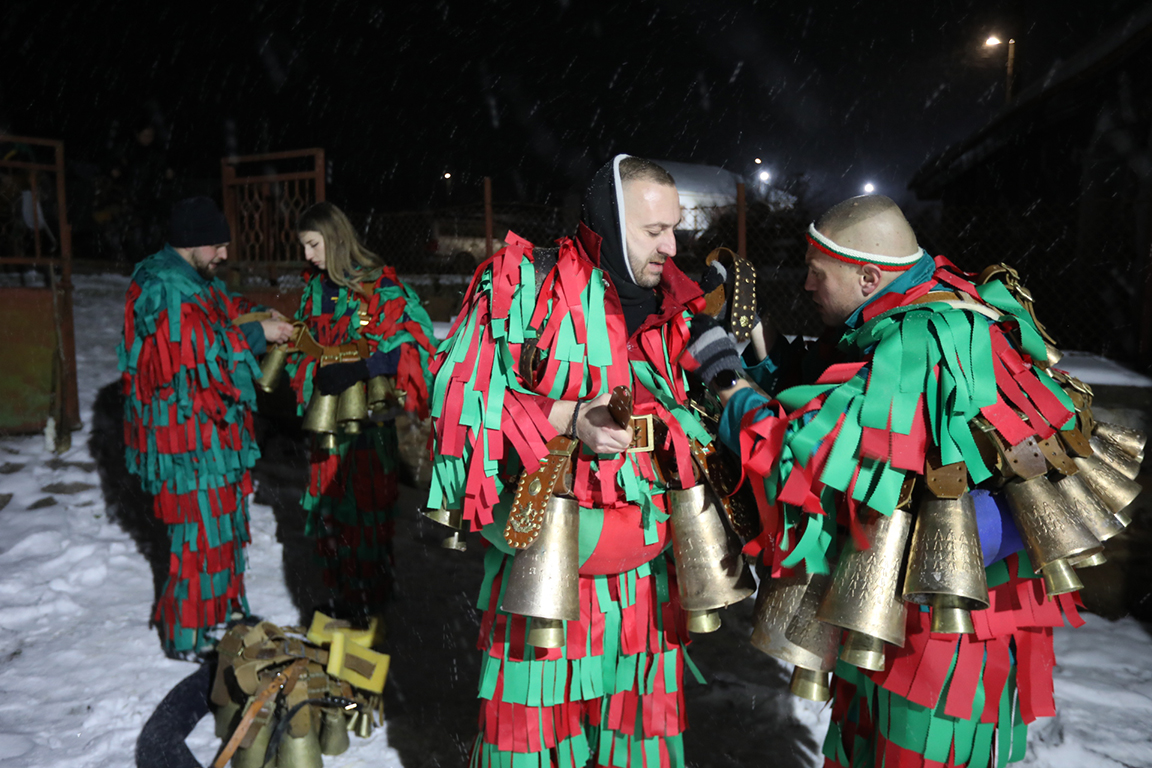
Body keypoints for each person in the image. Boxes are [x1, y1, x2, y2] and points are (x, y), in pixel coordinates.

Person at [714, 195, 1134, 767]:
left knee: (915, 750)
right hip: (903, 602)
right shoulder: (927, 303)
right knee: (869, 742)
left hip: (942, 625)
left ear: (867, 276)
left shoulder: (922, 338)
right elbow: (845, 386)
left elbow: (806, 460)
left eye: (819, 274)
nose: (807, 285)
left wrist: (734, 396)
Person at [427, 156, 748, 767]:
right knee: (530, 740)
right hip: (545, 576)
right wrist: (570, 418)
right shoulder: (524, 284)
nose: (671, 246)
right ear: (609, 219)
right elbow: (461, 403)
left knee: (638, 743)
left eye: (675, 228)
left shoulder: (679, 307)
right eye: (654, 232)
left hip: (646, 583)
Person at [118, 196, 294, 657]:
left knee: (226, 525)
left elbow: (221, 307)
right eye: (216, 245)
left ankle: (225, 611)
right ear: (191, 242)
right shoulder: (163, 285)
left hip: (215, 436)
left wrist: (258, 313)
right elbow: (200, 352)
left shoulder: (194, 277)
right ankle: (186, 636)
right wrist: (259, 335)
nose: (223, 254)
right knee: (196, 535)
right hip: (184, 441)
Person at [284, 201, 436, 619]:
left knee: (364, 510)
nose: (308, 256)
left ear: (333, 240)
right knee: (329, 509)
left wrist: (361, 367)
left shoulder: (379, 285)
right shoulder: (315, 288)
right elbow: (304, 341)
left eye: (313, 245)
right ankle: (348, 595)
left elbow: (413, 347)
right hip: (325, 422)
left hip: (368, 425)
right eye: (304, 246)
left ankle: (370, 599)